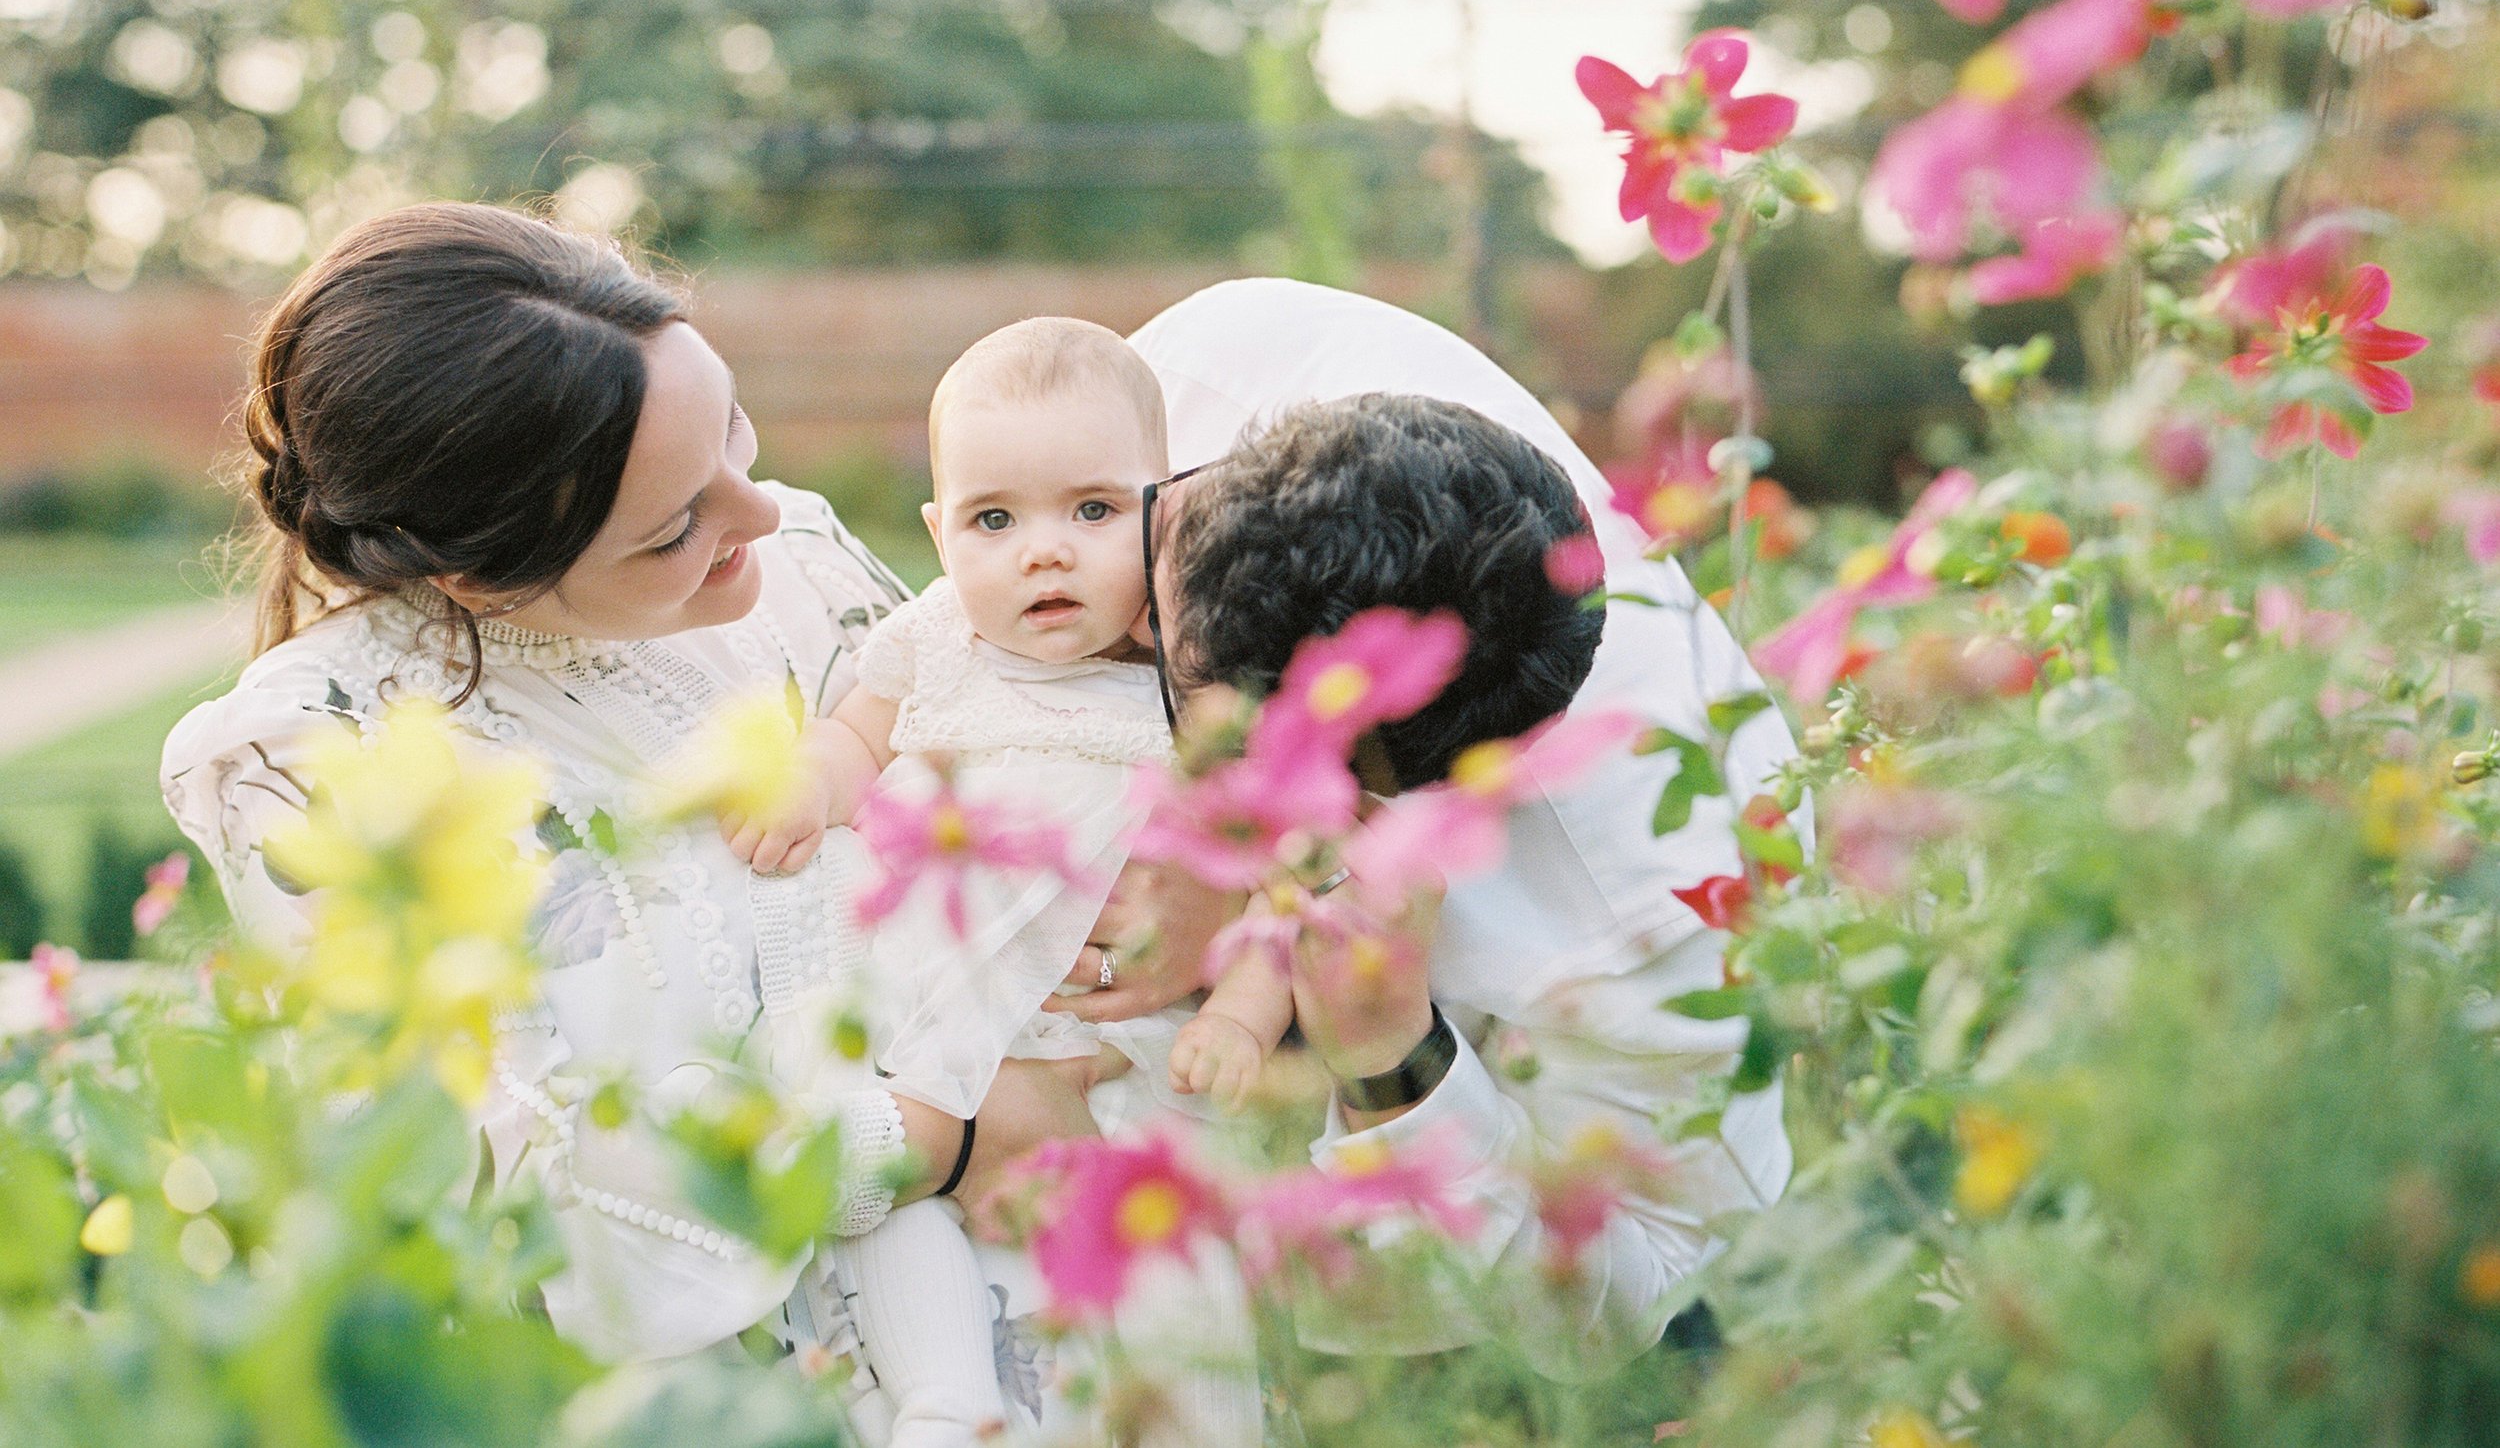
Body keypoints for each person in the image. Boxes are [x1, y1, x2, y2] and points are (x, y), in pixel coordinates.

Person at [157, 205, 1110, 1440]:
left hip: (1064, 1333)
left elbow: (1019, 769)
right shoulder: (317, 759)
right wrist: (953, 1137)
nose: (760, 514)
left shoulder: (802, 566)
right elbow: (538, 1191)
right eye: (673, 529)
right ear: (475, 573)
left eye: (734, 434)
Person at [1054, 276, 1805, 1370]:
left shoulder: (1660, 922)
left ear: (1367, 794)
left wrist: (1388, 1056)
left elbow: (1647, 1287)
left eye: (1159, 673)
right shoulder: (1223, 358)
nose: (1108, 623)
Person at [720, 316, 1280, 1446]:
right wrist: (808, 786)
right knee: (888, 1203)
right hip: (928, 1022)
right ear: (939, 534)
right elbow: (854, 741)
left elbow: (1273, 872)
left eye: (1092, 510)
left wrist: (1243, 1013)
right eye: (993, 519)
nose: (1044, 551)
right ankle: (946, 1403)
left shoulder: (1193, 677)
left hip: (1108, 1062)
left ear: (1164, 513)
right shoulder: (931, 640)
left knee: (1177, 1287)